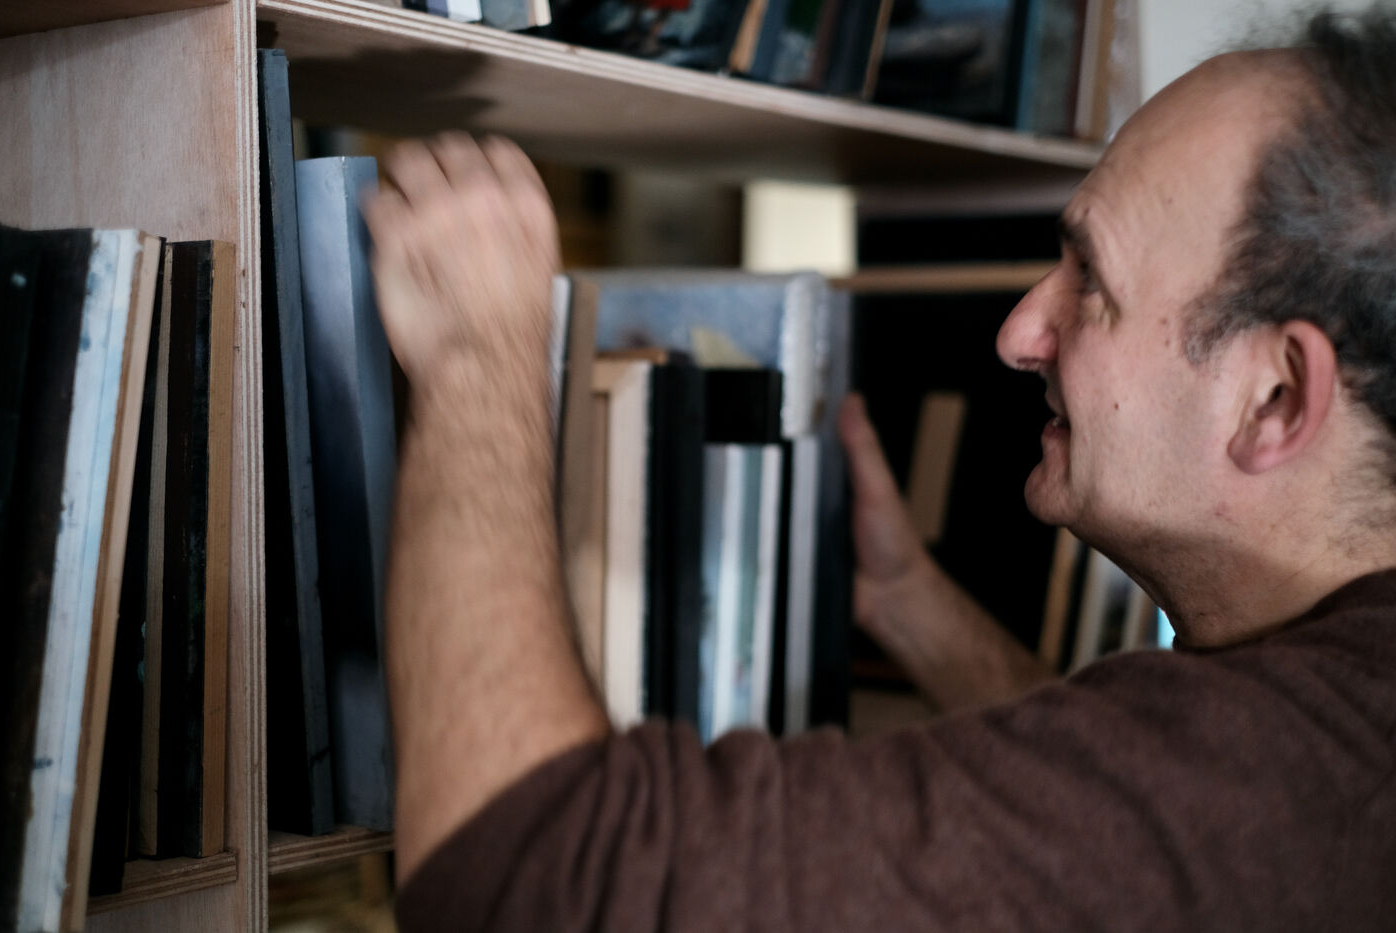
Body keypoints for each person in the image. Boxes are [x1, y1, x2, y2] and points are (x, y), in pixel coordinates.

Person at [367, 7, 1396, 930]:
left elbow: (522, 878)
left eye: (1092, 282)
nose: (1018, 332)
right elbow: (1130, 842)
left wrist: (478, 357)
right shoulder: (1320, 734)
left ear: (1274, 398)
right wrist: (909, 608)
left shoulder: (1279, 774)